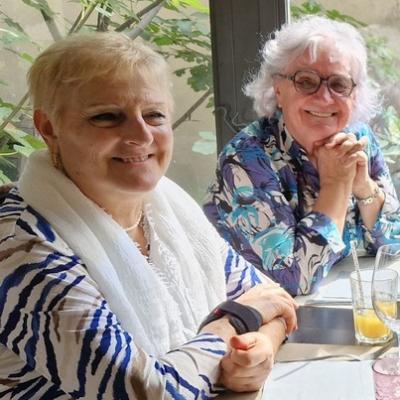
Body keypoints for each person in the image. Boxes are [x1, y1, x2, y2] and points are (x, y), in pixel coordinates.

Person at [0, 32, 298, 399]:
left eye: (154, 115)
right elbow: (151, 392)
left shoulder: (167, 209)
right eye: (107, 117)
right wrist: (235, 322)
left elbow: (274, 300)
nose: (141, 135)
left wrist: (258, 351)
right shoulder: (21, 248)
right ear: (48, 128)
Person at [204, 16, 400, 296]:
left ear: (354, 95)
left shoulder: (359, 140)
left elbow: (394, 242)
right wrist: (336, 185)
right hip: (252, 319)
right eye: (306, 81)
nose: (324, 97)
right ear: (279, 90)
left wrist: (364, 188)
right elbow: (295, 279)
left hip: (335, 303)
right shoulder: (246, 159)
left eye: (339, 84)